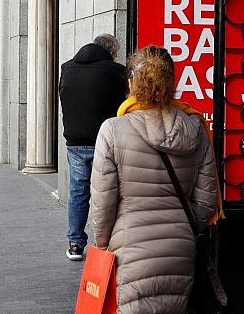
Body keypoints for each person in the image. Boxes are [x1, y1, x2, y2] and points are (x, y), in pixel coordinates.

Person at [90, 46, 218, 313]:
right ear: (172, 83)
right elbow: (206, 202)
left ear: (131, 83)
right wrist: (180, 224)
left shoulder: (113, 130)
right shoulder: (195, 128)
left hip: (130, 247)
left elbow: (103, 202)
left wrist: (102, 242)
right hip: (180, 247)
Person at [59, 34, 127, 260]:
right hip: (105, 141)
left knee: (78, 193)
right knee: (109, 193)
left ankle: (75, 244)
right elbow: (121, 106)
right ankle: (108, 244)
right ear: (112, 52)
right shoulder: (115, 71)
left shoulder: (67, 68)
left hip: (76, 142)